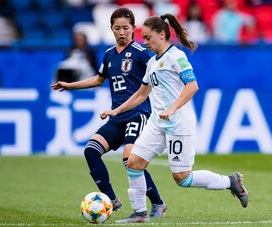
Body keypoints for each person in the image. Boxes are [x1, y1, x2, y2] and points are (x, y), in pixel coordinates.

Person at [100, 13, 249, 223]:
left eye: (149, 37)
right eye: (144, 37)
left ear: (162, 34)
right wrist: (117, 111)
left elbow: (192, 86)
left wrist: (172, 108)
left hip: (178, 123)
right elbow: (142, 94)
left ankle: (230, 181)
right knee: (133, 163)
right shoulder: (152, 62)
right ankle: (140, 214)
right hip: (156, 123)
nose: (145, 42)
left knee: (182, 178)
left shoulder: (176, 56)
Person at [51, 8, 167, 218]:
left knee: (129, 160)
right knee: (91, 151)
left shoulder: (141, 53)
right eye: (117, 28)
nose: (121, 32)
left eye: (126, 28)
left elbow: (155, 79)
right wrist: (70, 85)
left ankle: (157, 203)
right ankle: (111, 200)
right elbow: (98, 79)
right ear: (111, 29)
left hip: (138, 113)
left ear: (133, 29)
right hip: (117, 117)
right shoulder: (109, 54)